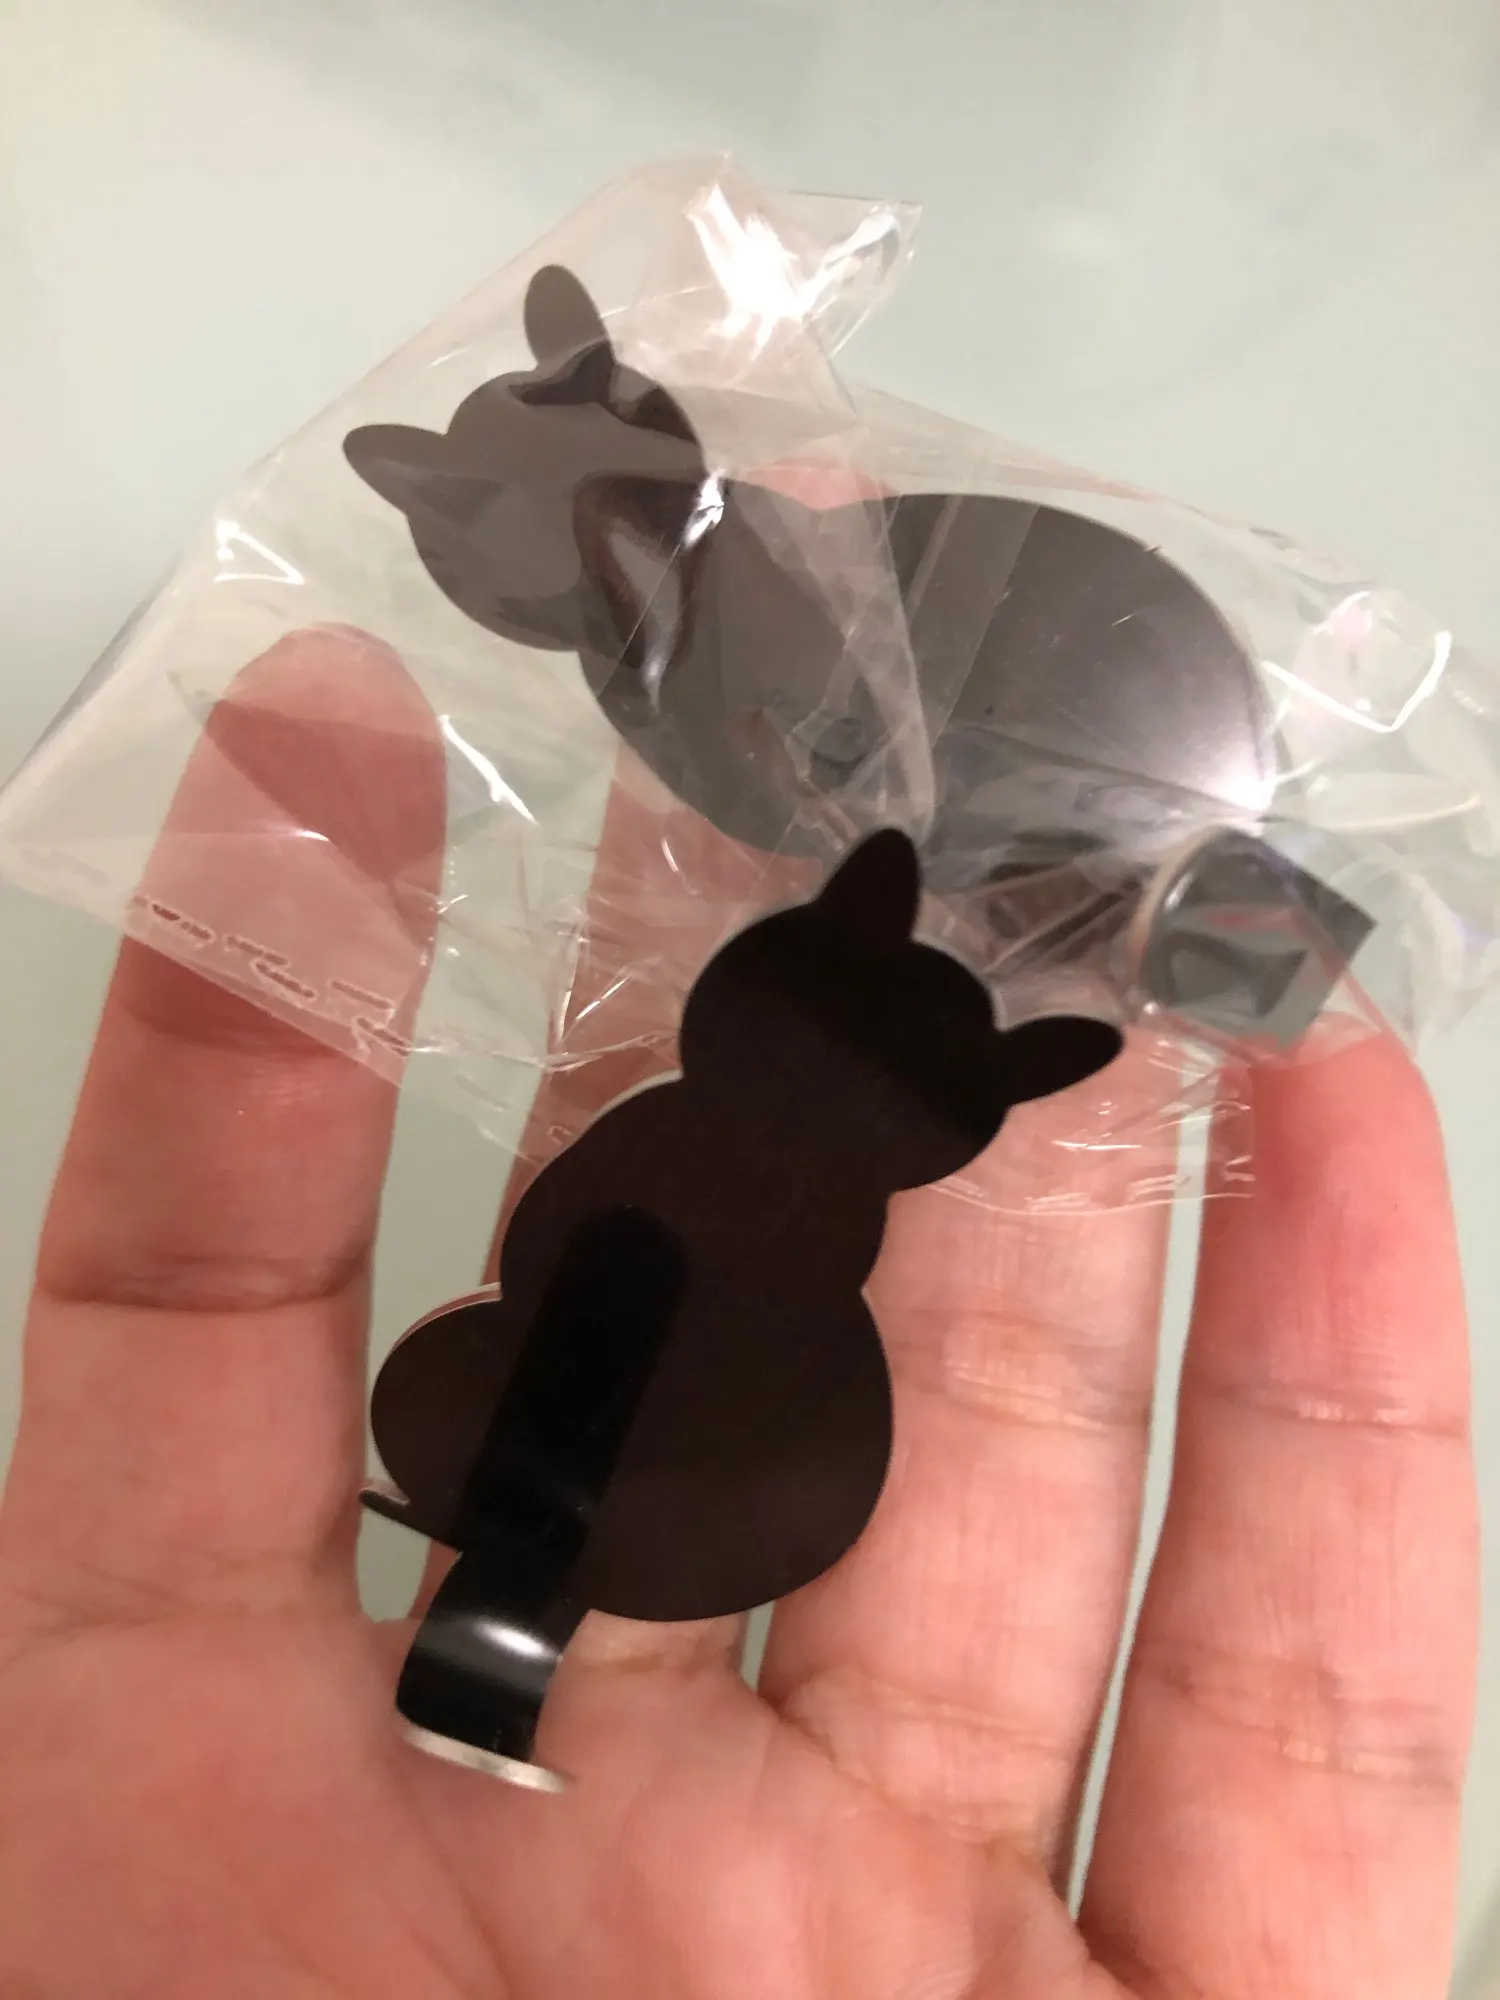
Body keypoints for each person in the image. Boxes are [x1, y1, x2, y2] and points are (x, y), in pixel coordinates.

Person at [0, 628, 1477, 1997]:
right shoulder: (730, 1163)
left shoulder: (791, 1209)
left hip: (677, 1440)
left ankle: (486, 1686)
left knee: (550, 1540)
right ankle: (479, 1690)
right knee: (537, 1537)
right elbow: (600, 1237)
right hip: (594, 1395)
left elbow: (681, 1275)